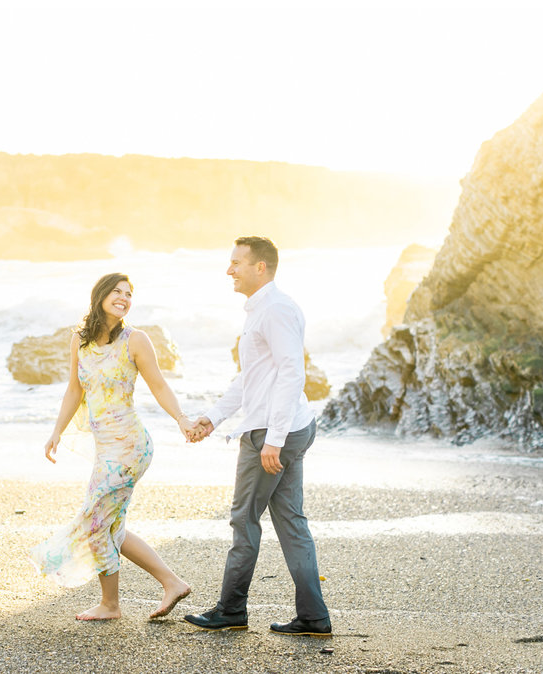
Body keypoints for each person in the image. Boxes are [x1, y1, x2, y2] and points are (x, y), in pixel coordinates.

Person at [184, 236, 331, 636]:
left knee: (244, 519)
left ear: (259, 267)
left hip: (273, 431)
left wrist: (274, 439)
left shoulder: (276, 309)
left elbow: (291, 372)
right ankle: (314, 617)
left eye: (236, 262)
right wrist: (214, 417)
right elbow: (252, 377)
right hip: (282, 426)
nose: (229, 270)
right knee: (291, 522)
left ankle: (231, 609)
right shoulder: (262, 310)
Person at [29, 272, 194, 621]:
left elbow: (160, 386)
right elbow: (75, 390)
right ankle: (170, 582)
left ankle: (111, 604)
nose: (124, 297)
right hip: (106, 449)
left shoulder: (136, 340)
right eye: (117, 291)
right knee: (109, 525)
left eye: (129, 293)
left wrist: (181, 419)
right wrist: (56, 431)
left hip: (131, 447)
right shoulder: (80, 340)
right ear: (100, 295)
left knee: (95, 522)